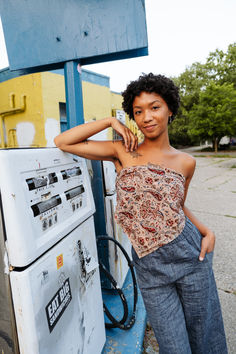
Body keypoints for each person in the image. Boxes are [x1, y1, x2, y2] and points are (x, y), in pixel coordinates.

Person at [54, 73, 227, 354]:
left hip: (190, 255)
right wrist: (111, 122)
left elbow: (177, 204)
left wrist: (207, 230)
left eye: (154, 107)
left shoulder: (186, 162)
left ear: (170, 109)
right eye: (138, 111)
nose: (146, 117)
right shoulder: (122, 151)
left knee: (205, 336)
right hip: (149, 266)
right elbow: (63, 141)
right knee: (173, 346)